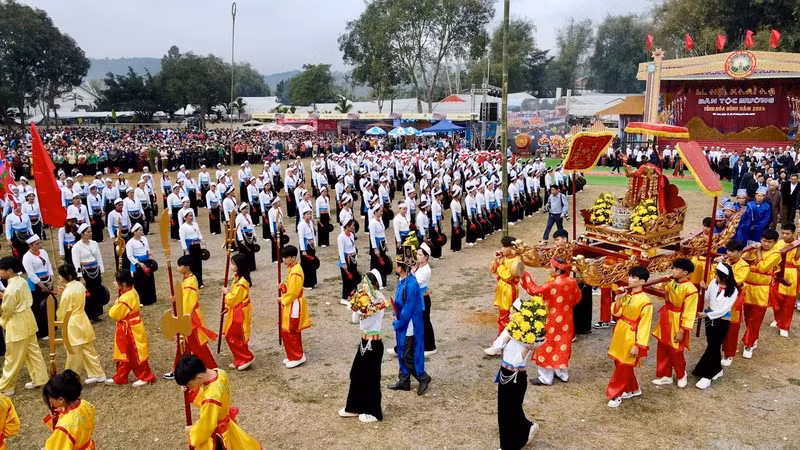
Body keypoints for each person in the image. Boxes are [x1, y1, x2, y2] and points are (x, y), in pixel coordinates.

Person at [174, 355, 261, 449]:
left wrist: (192, 431)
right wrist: (191, 388)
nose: (189, 386)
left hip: (218, 434)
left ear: (199, 377)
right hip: (226, 422)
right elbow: (209, 392)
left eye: (189, 384)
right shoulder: (220, 372)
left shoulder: (210, 399)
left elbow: (206, 426)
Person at [521, 257, 581, 386]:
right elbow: (577, 298)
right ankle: (562, 374)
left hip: (551, 319)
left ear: (558, 271)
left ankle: (545, 378)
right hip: (566, 319)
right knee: (562, 345)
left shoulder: (553, 284)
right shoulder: (572, 281)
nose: (549, 270)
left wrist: (525, 275)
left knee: (547, 345)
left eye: (551, 268)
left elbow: (534, 290)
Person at [339, 269, 387, 423]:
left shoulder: (379, 299)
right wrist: (355, 305)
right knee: (356, 373)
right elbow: (355, 319)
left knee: (372, 378)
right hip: (364, 341)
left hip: (374, 343)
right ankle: (354, 406)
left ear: (374, 284)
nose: (363, 285)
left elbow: (370, 314)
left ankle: (374, 412)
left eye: (366, 282)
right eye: (363, 282)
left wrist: (362, 304)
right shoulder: (364, 298)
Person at [486, 317, 539, 448]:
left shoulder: (528, 333)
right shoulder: (510, 329)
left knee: (512, 410)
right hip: (504, 372)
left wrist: (526, 349)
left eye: (514, 312)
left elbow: (517, 362)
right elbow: (495, 347)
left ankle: (510, 445)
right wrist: (507, 335)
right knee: (503, 411)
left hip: (517, 376)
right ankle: (526, 428)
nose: (510, 315)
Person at [164, 256, 217, 380]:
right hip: (188, 315)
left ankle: (211, 367)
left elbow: (188, 302)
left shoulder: (190, 282)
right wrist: (177, 299)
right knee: (183, 344)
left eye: (180, 266)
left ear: (187, 268)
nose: (178, 268)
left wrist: (182, 317)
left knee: (197, 344)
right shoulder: (187, 279)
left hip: (190, 317)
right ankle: (179, 369)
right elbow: (183, 297)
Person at [387, 246, 432, 395]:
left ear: (401, 268)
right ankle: (404, 379)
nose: (395, 267)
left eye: (397, 265)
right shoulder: (403, 281)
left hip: (409, 325)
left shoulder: (411, 284)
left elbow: (408, 309)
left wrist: (398, 322)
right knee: (401, 351)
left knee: (406, 354)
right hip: (403, 323)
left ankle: (422, 377)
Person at [606, 266, 653, 408]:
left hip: (632, 335)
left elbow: (645, 325)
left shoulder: (646, 301)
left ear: (642, 281)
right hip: (621, 331)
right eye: (630, 276)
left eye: (633, 277)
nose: (629, 279)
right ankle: (633, 388)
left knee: (624, 365)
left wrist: (637, 345)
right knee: (619, 362)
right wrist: (619, 299)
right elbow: (617, 313)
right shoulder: (626, 294)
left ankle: (616, 394)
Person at [0, 256, 48, 395]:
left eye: (1, 270)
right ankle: (41, 379)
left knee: (12, 357)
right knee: (33, 352)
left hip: (17, 323)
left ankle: (6, 386)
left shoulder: (10, 290)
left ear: (9, 271)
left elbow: (7, 309)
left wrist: (3, 321)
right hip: (28, 319)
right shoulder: (22, 281)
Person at [105, 270, 156, 387]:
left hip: (130, 330)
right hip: (130, 327)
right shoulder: (132, 292)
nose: (114, 283)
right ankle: (120, 376)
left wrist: (116, 303)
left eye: (116, 281)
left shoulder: (126, 298)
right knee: (125, 353)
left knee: (135, 353)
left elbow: (114, 314)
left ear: (122, 283)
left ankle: (146, 376)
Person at [652, 258, 698, 388]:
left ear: (685, 272)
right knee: (662, 347)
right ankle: (665, 375)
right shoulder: (672, 283)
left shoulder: (691, 289)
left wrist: (682, 330)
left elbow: (689, 312)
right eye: (674, 268)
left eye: (677, 269)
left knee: (676, 350)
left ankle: (681, 374)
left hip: (678, 320)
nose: (673, 271)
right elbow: (663, 296)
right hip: (667, 316)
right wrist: (663, 283)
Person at [57, 264, 106, 384]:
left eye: (60, 275)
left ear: (67, 276)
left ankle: (70, 379)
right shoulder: (79, 285)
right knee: (88, 349)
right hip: (82, 318)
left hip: (72, 322)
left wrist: (59, 322)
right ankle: (98, 373)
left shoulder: (68, 292)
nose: (59, 277)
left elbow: (64, 310)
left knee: (73, 351)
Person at [692, 262, 737, 389]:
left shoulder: (733, 290)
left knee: (713, 345)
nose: (716, 277)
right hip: (709, 316)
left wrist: (707, 315)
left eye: (718, 275)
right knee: (712, 344)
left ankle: (707, 375)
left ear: (726, 277)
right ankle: (717, 369)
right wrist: (703, 289)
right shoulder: (713, 283)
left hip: (721, 320)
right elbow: (707, 298)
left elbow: (725, 309)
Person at [742, 229, 781, 359]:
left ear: (775, 243)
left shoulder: (776, 254)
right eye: (763, 240)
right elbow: (742, 261)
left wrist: (757, 252)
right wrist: (750, 251)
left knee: (756, 318)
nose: (765, 244)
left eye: (769, 242)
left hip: (761, 290)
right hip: (747, 287)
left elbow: (762, 268)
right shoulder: (753, 248)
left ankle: (749, 344)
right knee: (747, 317)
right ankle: (753, 337)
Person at [485, 236, 522, 355]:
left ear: (512, 248)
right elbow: (493, 270)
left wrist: (499, 265)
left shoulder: (516, 261)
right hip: (502, 287)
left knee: (506, 316)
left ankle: (501, 343)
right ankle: (501, 340)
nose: (503, 249)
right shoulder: (504, 257)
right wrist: (496, 260)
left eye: (505, 246)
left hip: (509, 289)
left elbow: (507, 276)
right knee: (502, 314)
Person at [42, 370, 96, 449]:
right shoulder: (85, 404)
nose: (50, 401)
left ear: (61, 399)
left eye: (50, 398)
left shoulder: (65, 426)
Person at [279, 245, 311, 368]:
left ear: (293, 258)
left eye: (285, 258)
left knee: (291, 330)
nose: (283, 260)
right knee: (288, 329)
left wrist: (282, 299)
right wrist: (284, 285)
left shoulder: (296, 271)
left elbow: (294, 292)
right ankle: (294, 354)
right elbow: (291, 286)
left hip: (294, 303)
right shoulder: (292, 268)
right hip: (292, 302)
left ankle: (297, 356)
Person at [222, 254, 255, 371]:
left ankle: (246, 356)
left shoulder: (242, 282)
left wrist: (226, 294)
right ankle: (240, 358)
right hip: (236, 310)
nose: (231, 266)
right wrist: (227, 307)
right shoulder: (237, 278)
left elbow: (234, 298)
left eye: (233, 264)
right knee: (237, 335)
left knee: (232, 335)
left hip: (239, 312)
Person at [71, 224, 109, 322]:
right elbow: (76, 263)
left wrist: (101, 270)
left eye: (90, 231)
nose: (90, 233)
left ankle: (96, 313)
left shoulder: (94, 243)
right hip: (85, 272)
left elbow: (99, 257)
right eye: (88, 232)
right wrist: (80, 276)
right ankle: (88, 315)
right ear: (82, 234)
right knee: (88, 293)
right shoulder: (77, 247)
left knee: (97, 291)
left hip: (95, 270)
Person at [22, 234, 54, 338]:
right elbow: (31, 274)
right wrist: (42, 286)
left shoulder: (43, 252)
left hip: (47, 280)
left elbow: (48, 265)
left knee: (50, 304)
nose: (39, 245)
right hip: (36, 284)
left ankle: (52, 325)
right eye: (37, 244)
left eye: (40, 243)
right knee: (39, 307)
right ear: (30, 245)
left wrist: (51, 280)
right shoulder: (27, 257)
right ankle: (42, 331)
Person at [771, 222, 799, 337]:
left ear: (793, 233)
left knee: (788, 301)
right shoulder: (779, 243)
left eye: (787, 233)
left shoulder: (797, 244)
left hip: (791, 273)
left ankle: (785, 326)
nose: (784, 235)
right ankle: (777, 319)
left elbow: (797, 261)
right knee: (777, 299)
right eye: (783, 233)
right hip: (778, 273)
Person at [413, 243, 436, 356]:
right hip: (417, 297)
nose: (417, 256)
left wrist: (411, 272)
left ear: (426, 256)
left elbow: (415, 282)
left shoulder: (426, 269)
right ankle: (421, 344)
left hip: (423, 298)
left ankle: (431, 346)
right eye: (417, 254)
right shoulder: (418, 266)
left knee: (425, 322)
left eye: (420, 255)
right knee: (419, 322)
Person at [126, 223, 157, 306]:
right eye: (140, 230)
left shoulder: (144, 239)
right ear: (135, 232)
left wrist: (149, 253)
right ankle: (141, 300)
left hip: (146, 261)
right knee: (140, 282)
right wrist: (138, 263)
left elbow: (147, 248)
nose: (142, 231)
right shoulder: (130, 243)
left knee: (149, 280)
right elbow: (129, 256)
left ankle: (151, 298)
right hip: (138, 263)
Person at [179, 209, 206, 288]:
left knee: (198, 264)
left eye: (192, 216)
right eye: (189, 216)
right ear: (185, 217)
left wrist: (201, 239)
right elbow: (182, 239)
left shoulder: (195, 224)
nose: (191, 217)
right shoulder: (183, 227)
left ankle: (199, 282)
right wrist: (185, 249)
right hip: (189, 247)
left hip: (197, 246)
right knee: (191, 265)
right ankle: (191, 282)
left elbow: (199, 233)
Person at [337, 219, 361, 306]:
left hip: (353, 258)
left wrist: (356, 256)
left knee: (354, 277)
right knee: (347, 279)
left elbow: (353, 246)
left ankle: (353, 294)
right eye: (352, 225)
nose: (353, 227)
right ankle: (344, 297)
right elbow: (341, 250)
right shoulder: (341, 237)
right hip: (346, 260)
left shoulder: (351, 234)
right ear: (347, 226)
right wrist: (343, 263)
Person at [297, 204, 318, 289]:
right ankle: (306, 284)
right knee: (306, 265)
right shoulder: (301, 225)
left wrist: (315, 245)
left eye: (310, 213)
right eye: (307, 214)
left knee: (312, 265)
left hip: (311, 245)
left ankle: (312, 282)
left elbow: (313, 234)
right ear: (304, 215)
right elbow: (301, 238)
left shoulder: (311, 222)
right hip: (305, 246)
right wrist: (303, 250)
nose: (309, 215)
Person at [235, 203, 258, 273]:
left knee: (251, 251)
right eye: (245, 209)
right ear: (241, 210)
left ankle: (252, 266)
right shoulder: (239, 217)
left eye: (247, 208)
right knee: (244, 252)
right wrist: (241, 239)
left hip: (250, 235)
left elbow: (251, 225)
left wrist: (254, 235)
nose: (246, 210)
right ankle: (245, 267)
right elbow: (238, 229)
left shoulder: (248, 216)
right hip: (243, 235)